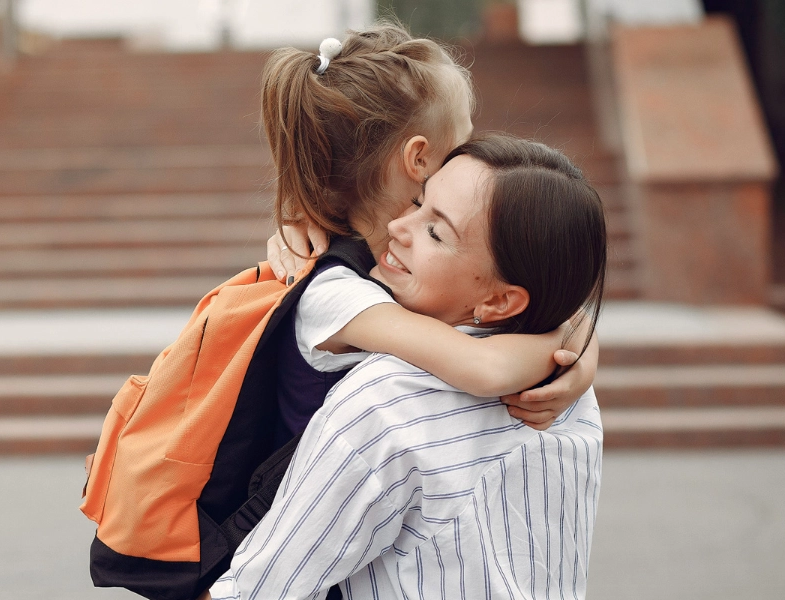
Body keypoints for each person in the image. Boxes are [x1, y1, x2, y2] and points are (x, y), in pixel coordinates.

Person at [209, 134, 607, 600]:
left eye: (436, 231)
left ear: (500, 301)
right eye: (418, 202)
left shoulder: (386, 404)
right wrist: (572, 336)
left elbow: (258, 591)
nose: (398, 225)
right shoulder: (567, 392)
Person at [254, 23, 598, 449]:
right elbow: (486, 368)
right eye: (462, 139)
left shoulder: (403, 263)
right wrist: (570, 349)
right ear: (418, 157)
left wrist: (580, 339)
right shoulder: (336, 292)